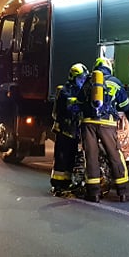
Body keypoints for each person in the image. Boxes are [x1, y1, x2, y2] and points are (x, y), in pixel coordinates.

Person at [78, 57, 129, 202]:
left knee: (91, 157)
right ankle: (123, 192)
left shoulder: (88, 81)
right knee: (114, 155)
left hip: (88, 123)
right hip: (107, 123)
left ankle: (93, 193)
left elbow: (80, 102)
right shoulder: (115, 82)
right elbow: (125, 105)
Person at [49, 63, 88, 196]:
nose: (82, 81)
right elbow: (68, 106)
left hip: (73, 131)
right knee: (61, 158)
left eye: (84, 79)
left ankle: (67, 182)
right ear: (73, 77)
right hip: (64, 130)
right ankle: (57, 184)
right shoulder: (64, 90)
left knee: (71, 158)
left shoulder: (80, 91)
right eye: (80, 79)